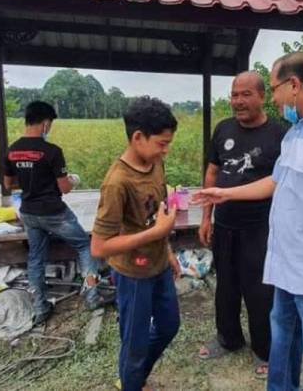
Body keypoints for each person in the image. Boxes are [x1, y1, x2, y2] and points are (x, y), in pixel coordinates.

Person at [194, 52, 303, 391]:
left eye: (273, 89)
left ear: (293, 84)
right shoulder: (296, 132)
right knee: (283, 351)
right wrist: (225, 194)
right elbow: (276, 182)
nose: (274, 99)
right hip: (288, 268)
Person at [197, 71, 287, 378]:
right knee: (227, 285)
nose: (238, 101)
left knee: (261, 290)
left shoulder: (280, 134)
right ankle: (228, 338)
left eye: (246, 94)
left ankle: (265, 349)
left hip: (260, 227)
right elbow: (212, 173)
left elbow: (284, 183)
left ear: (262, 97)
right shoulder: (223, 129)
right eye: (234, 94)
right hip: (224, 224)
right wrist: (206, 217)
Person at [90, 96, 181, 391]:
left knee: (169, 326)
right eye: (161, 143)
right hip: (133, 273)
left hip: (158, 265)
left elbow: (157, 213)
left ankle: (134, 377)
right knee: (135, 343)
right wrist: (156, 234)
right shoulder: (117, 182)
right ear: (138, 137)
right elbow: (99, 247)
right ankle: (132, 382)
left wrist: (167, 250)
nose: (166, 150)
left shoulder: (155, 163)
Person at [3, 101, 111, 325]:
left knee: (36, 258)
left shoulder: (12, 151)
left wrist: (29, 181)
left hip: (29, 213)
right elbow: (64, 188)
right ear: (44, 124)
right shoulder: (52, 152)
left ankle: (41, 307)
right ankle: (92, 296)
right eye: (49, 124)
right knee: (84, 245)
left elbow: (8, 184)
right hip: (54, 213)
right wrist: (71, 179)